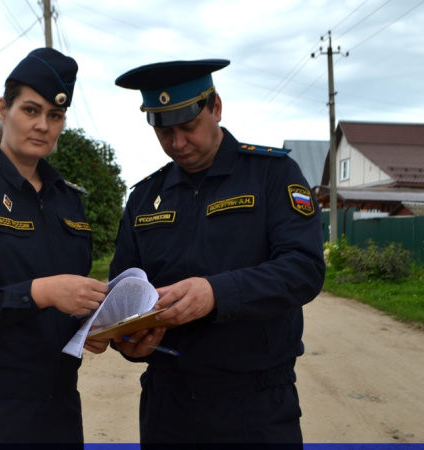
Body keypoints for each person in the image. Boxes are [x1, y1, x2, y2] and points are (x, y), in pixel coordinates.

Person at [108, 59, 326, 447]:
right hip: (167, 404)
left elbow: (303, 269)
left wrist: (216, 293)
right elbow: (123, 290)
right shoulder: (144, 196)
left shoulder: (272, 175)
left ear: (217, 108)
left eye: (189, 126)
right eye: (164, 131)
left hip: (255, 402)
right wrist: (128, 342)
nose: (178, 143)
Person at [0, 47, 110, 446]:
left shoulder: (70, 200)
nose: (43, 125)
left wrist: (90, 328)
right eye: (31, 110)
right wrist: (40, 292)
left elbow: (69, 301)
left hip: (59, 409)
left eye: (55, 115)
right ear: (3, 109)